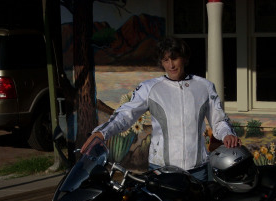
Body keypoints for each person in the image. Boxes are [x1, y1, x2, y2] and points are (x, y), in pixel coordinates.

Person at [82, 36, 240, 181]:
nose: (171, 65)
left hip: (197, 170)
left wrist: (227, 134)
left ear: (184, 58)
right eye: (165, 60)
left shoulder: (204, 86)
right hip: (161, 170)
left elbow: (219, 121)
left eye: (174, 58)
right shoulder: (149, 88)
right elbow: (125, 115)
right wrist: (102, 133)